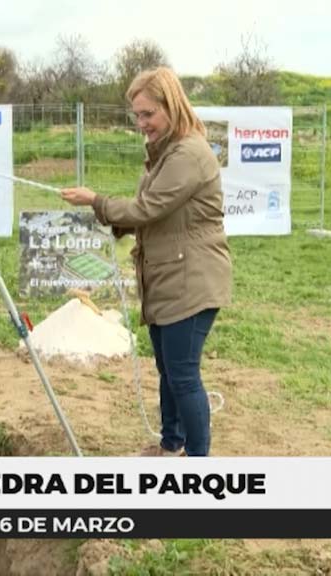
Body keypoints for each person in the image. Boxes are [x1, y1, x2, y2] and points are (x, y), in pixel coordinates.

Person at [61, 67, 232, 457]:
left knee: (184, 376)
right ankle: (170, 446)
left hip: (191, 278)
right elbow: (152, 214)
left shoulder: (189, 153)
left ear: (171, 106)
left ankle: (199, 462)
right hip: (168, 275)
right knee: (168, 371)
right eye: (136, 115)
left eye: (148, 114)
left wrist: (97, 202)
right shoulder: (165, 153)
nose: (142, 124)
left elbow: (150, 207)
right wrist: (118, 221)